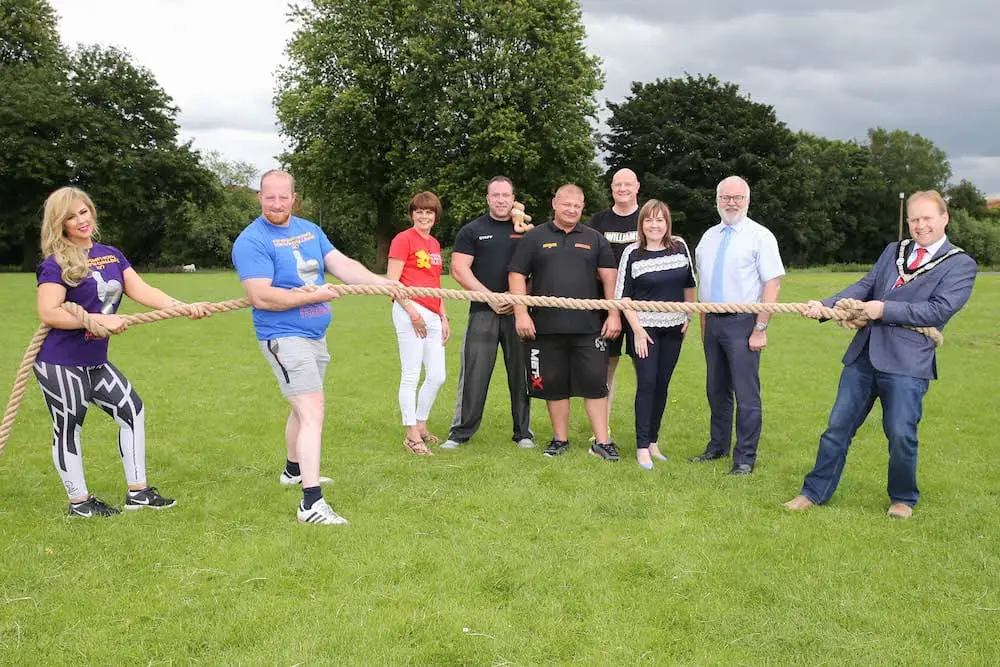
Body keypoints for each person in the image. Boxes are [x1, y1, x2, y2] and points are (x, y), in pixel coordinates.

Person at [783, 191, 977, 519]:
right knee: (837, 428)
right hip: (864, 356)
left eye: (927, 218)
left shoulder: (960, 264)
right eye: (914, 219)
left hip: (908, 363)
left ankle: (902, 498)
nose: (920, 225)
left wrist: (883, 309)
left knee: (901, 433)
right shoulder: (894, 251)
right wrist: (826, 306)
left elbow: (938, 309)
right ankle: (813, 493)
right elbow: (864, 286)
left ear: (944, 218)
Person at [232, 170, 399, 526]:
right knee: (312, 410)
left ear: (294, 197)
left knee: (301, 409)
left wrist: (380, 282)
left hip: (314, 336)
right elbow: (260, 295)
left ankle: (293, 471)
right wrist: (316, 294)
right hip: (283, 336)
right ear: (259, 197)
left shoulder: (309, 230)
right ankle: (310, 504)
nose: (276, 204)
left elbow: (340, 265)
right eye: (269, 197)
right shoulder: (252, 241)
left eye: (283, 197)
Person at [34, 186, 211, 518]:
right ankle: (80, 503)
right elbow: (49, 311)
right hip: (60, 362)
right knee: (69, 425)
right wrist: (100, 320)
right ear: (60, 223)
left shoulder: (111, 254)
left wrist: (183, 307)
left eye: (83, 211)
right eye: (70, 217)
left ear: (92, 210)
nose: (80, 220)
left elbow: (141, 289)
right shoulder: (55, 264)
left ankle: (138, 493)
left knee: (132, 411)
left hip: (95, 360)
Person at [508, 184, 621, 459]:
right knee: (554, 386)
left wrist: (614, 313)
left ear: (582, 208)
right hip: (546, 327)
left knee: (596, 384)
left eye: (577, 206)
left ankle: (602, 442)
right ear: (554, 203)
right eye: (566, 204)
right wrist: (521, 313)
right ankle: (560, 440)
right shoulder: (534, 237)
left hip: (588, 328)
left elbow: (610, 277)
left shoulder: (595, 239)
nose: (571, 209)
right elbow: (516, 274)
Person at [690, 176, 785, 475]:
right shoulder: (709, 237)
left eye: (737, 198)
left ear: (747, 200)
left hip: (744, 323)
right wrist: (704, 326)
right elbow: (703, 284)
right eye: (725, 197)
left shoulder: (760, 236)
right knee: (715, 390)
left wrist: (761, 328)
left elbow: (772, 283)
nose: (731, 203)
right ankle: (717, 447)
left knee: (746, 393)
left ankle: (744, 458)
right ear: (716, 200)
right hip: (713, 323)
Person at [441, 176, 534, 450]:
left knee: (522, 373)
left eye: (506, 195)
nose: (501, 200)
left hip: (519, 312)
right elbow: (459, 269)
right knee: (474, 372)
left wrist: (518, 299)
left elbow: (538, 269)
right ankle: (460, 433)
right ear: (488, 198)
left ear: (514, 197)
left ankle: (523, 433)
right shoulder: (473, 230)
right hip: (483, 310)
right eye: (496, 195)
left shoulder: (528, 232)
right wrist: (490, 298)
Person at [615, 200, 696, 470]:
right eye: (649, 220)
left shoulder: (679, 246)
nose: (654, 225)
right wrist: (636, 330)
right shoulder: (632, 253)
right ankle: (641, 448)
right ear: (642, 224)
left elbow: (689, 284)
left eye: (660, 220)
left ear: (667, 223)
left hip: (674, 329)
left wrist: (688, 315)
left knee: (662, 385)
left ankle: (653, 441)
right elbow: (623, 297)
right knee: (647, 384)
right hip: (644, 330)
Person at [386, 191, 450, 455]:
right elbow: (393, 282)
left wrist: (444, 316)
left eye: (429, 211)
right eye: (419, 211)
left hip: (433, 312)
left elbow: (435, 284)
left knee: (437, 375)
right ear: (412, 214)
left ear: (436, 215)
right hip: (409, 310)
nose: (424, 216)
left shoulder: (434, 244)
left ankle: (421, 423)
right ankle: (411, 434)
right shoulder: (403, 239)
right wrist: (412, 312)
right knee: (411, 373)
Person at [585, 168, 641, 442]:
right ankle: (602, 431)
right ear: (611, 188)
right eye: (618, 184)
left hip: (642, 305)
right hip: (606, 304)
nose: (622, 189)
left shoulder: (648, 219)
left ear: (637, 187)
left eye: (627, 184)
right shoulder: (598, 221)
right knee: (607, 365)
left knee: (645, 368)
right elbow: (589, 260)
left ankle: (647, 434)